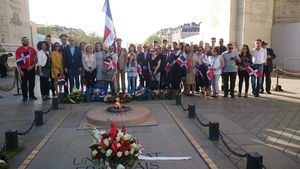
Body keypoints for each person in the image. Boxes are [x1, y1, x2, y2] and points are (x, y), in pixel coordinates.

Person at [15, 37, 37, 101]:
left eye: (26, 40)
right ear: (22, 41)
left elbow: (36, 60)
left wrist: (32, 66)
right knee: (24, 83)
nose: (25, 41)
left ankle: (31, 95)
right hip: (23, 69)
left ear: (28, 41)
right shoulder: (19, 50)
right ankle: (25, 96)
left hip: (31, 68)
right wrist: (20, 70)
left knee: (32, 83)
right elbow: (18, 61)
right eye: (24, 40)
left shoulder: (32, 49)